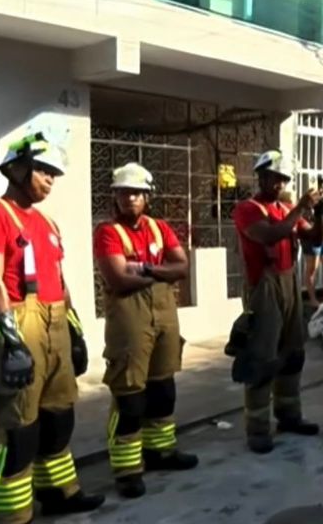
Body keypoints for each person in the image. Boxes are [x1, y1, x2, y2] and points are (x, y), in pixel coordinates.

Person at [0, 132, 103, 522]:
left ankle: (60, 493)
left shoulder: (46, 221)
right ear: (18, 169)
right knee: (18, 430)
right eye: (43, 171)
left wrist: (74, 330)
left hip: (55, 319)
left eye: (53, 174)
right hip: (16, 322)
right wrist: (11, 342)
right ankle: (12, 516)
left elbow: (59, 277)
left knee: (60, 417)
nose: (49, 180)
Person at [93, 163, 198, 499]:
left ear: (147, 196)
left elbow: (182, 266)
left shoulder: (160, 228)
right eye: (123, 192)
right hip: (130, 319)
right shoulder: (108, 232)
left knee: (163, 389)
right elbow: (118, 278)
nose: (129, 198)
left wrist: (147, 268)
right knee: (130, 397)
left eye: (136, 192)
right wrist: (160, 273)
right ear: (116, 196)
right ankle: (127, 470)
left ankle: (160, 452)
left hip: (164, 314)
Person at [231, 151, 319, 454]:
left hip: (289, 282)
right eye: (274, 177)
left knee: (293, 353)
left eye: (284, 178)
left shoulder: (286, 208)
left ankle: (289, 416)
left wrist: (317, 212)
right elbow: (269, 236)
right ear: (261, 176)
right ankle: (257, 429)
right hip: (263, 288)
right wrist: (300, 209)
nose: (279, 183)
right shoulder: (247, 209)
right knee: (262, 357)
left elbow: (315, 239)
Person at [297, 183, 323, 307]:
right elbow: (305, 222)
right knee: (312, 269)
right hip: (311, 238)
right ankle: (312, 299)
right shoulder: (308, 203)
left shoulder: (322, 201)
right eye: (321, 188)